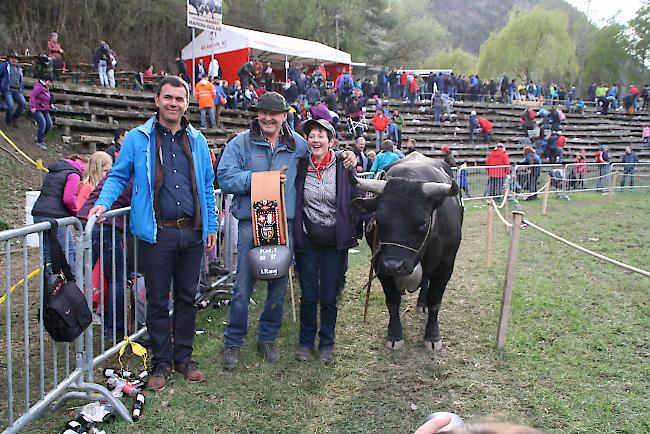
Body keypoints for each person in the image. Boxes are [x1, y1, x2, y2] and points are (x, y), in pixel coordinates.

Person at [88, 76, 218, 391]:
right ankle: (161, 361)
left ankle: (184, 358)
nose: (174, 103)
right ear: (157, 100)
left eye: (180, 99)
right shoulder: (137, 138)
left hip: (191, 232)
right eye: (169, 97)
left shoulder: (197, 139)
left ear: (188, 103)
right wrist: (103, 203)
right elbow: (118, 176)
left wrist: (211, 224)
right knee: (158, 299)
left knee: (188, 297)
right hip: (157, 234)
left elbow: (206, 187)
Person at [217, 92, 356, 369]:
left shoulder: (299, 145)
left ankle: (267, 338)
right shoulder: (241, 143)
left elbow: (322, 153)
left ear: (284, 116)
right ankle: (234, 342)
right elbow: (224, 176)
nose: (268, 118)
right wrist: (257, 180)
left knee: (278, 286)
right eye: (263, 112)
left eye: (274, 113)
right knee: (243, 287)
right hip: (250, 223)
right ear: (257, 114)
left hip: (285, 224)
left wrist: (346, 155)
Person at [293, 119, 359, 364]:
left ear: (331, 141)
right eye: (312, 135)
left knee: (329, 295)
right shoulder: (300, 165)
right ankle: (305, 342)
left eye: (321, 135)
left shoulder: (344, 165)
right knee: (309, 294)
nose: (316, 139)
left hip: (334, 241)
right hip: (308, 238)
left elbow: (357, 197)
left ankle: (327, 343)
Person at [77, 160, 131, 340]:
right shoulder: (133, 169)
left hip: (90, 221)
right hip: (104, 223)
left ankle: (81, 319)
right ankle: (114, 329)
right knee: (116, 278)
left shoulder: (123, 168)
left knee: (88, 276)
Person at [31, 154, 87, 269]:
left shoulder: (55, 170)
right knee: (68, 251)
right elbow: (68, 198)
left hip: (39, 213)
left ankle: (49, 283)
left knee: (47, 253)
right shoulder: (73, 174)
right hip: (55, 217)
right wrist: (77, 213)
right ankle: (73, 283)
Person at [0, 52, 26, 127]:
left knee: (23, 104)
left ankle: (13, 119)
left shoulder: (19, 69)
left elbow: (21, 80)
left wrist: (21, 89)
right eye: (12, 58)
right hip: (7, 89)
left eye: (15, 59)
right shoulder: (5, 66)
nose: (14, 60)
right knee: (10, 105)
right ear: (9, 59)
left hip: (17, 91)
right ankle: (8, 121)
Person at [30, 73, 54, 150]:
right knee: (42, 124)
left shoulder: (46, 88)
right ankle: (39, 142)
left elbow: (47, 98)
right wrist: (33, 106)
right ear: (45, 80)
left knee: (49, 124)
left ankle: (40, 136)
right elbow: (32, 96)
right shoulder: (38, 87)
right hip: (37, 109)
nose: (50, 84)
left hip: (45, 109)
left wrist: (50, 105)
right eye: (49, 82)